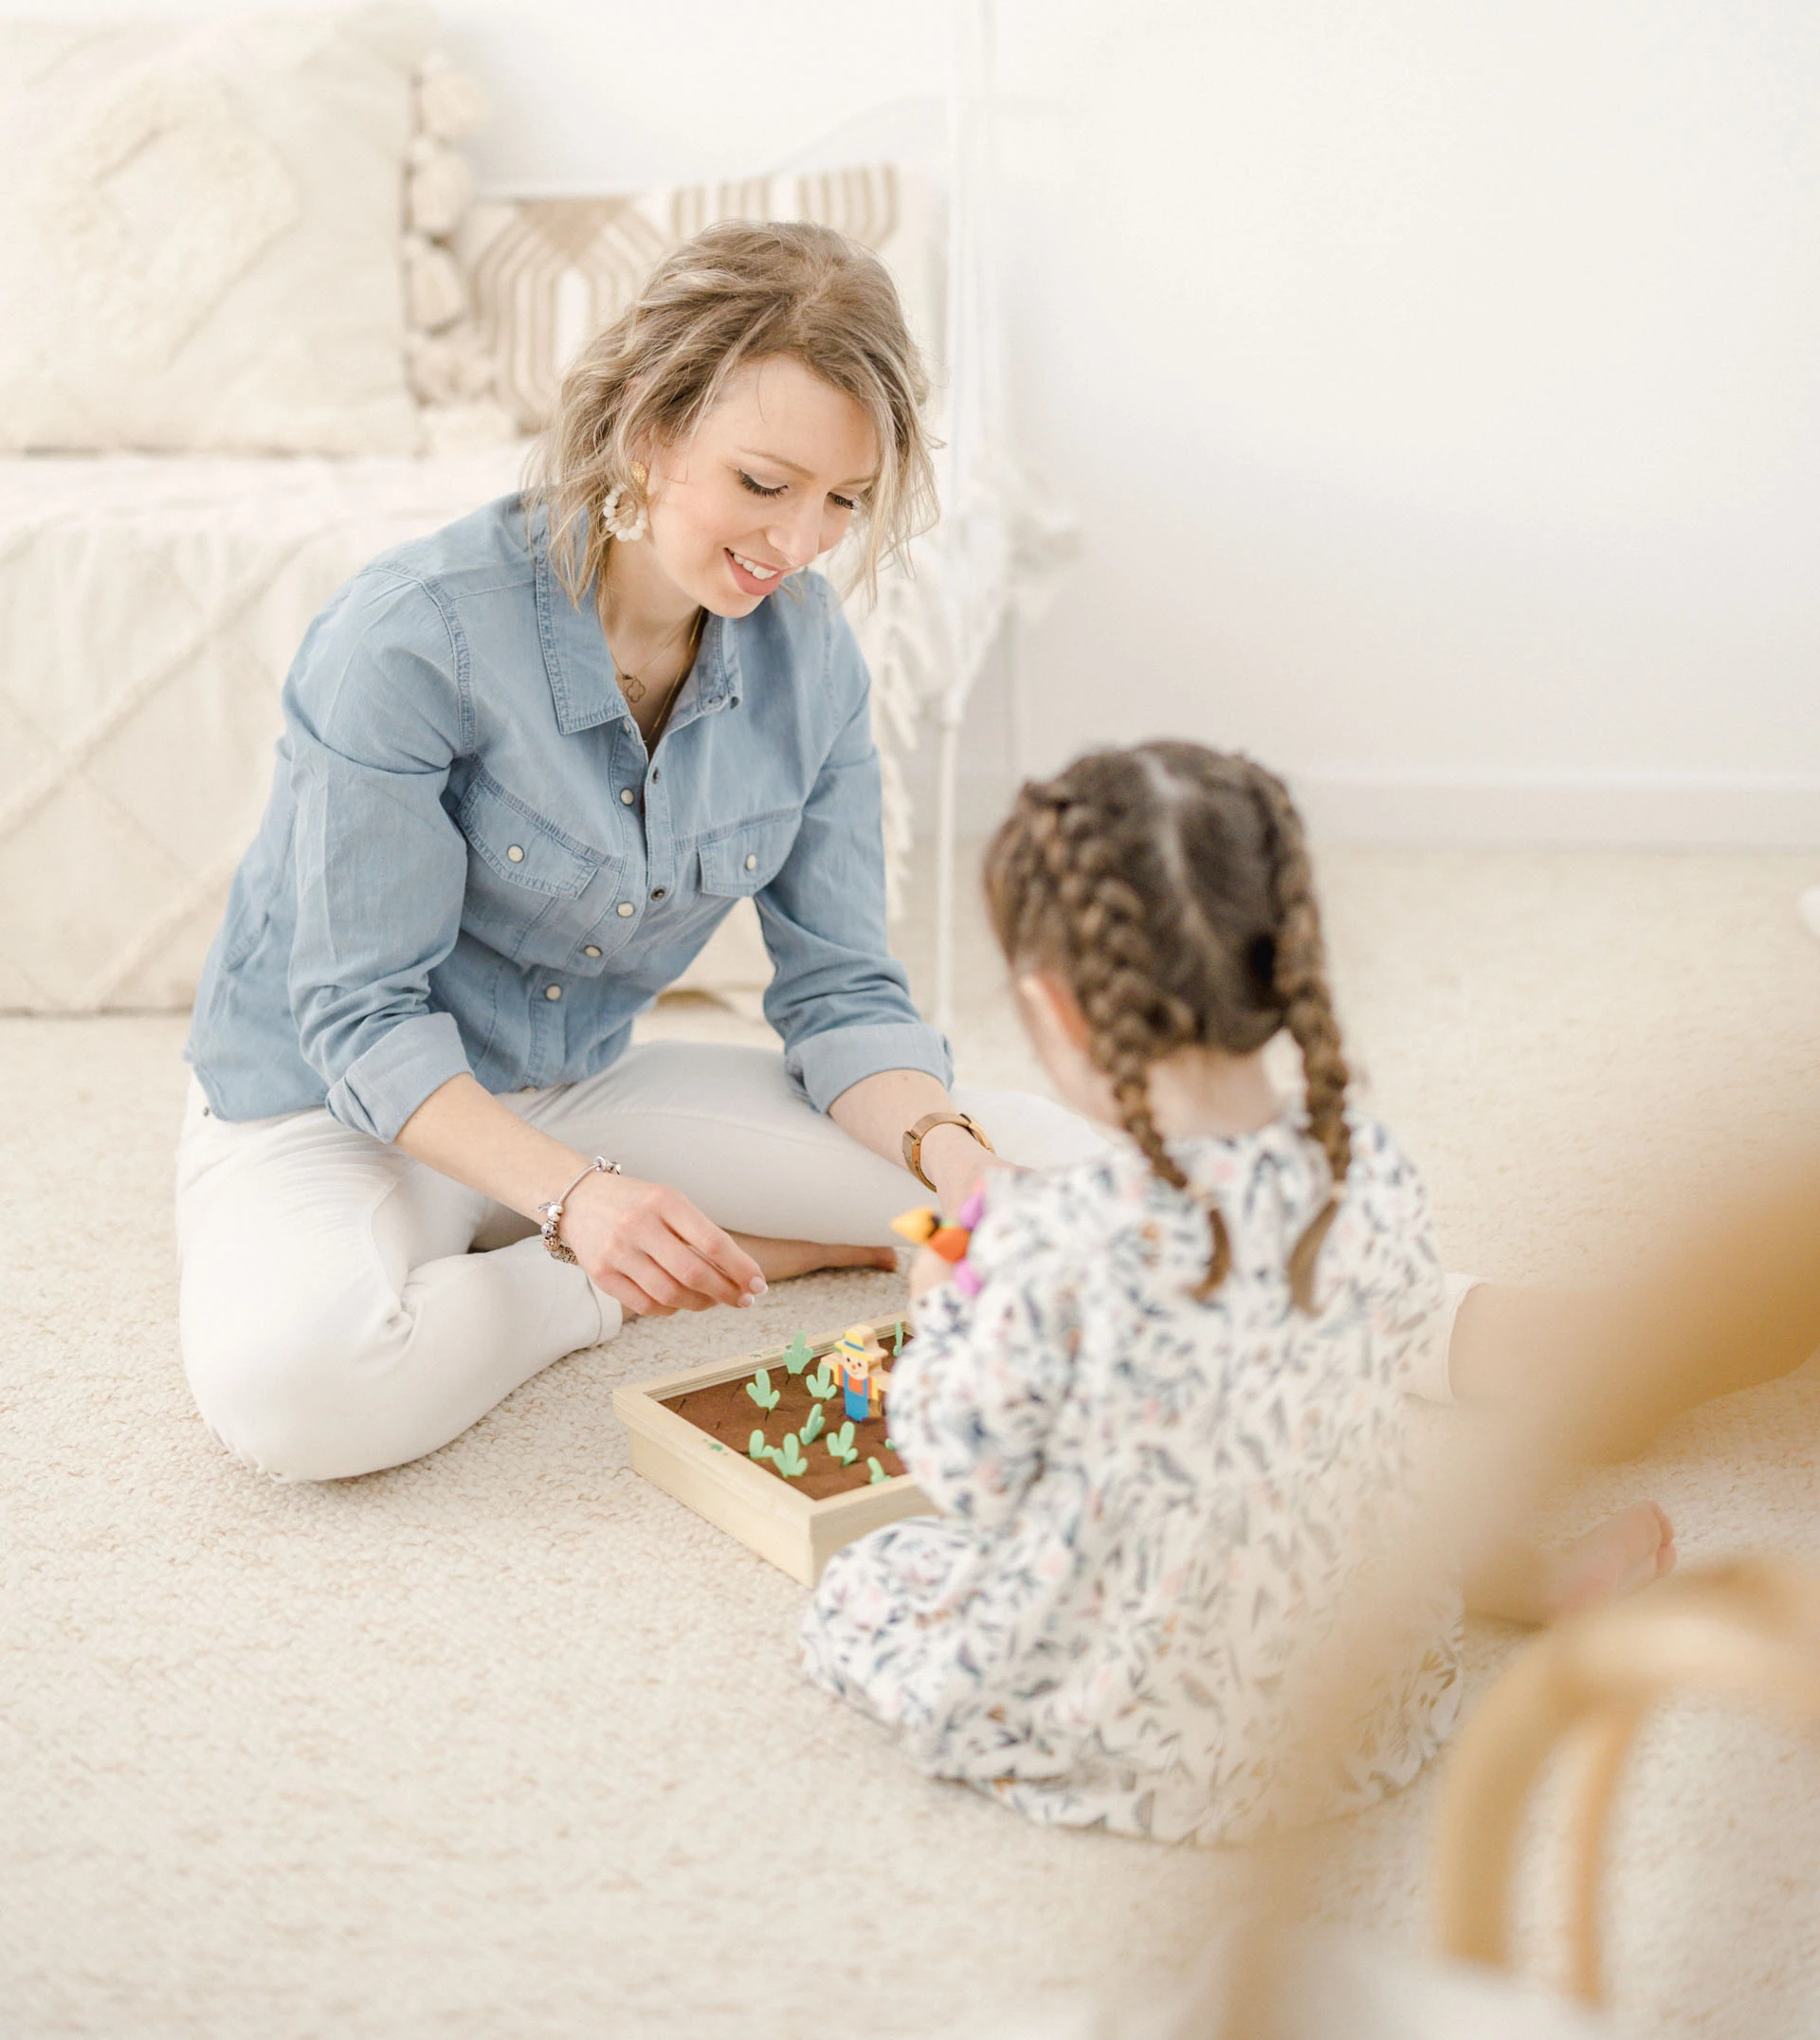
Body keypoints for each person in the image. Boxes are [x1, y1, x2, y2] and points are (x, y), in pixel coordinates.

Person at [176, 224, 1101, 1483]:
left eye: (844, 500)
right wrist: (583, 1206)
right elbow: (358, 1018)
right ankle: (616, 1280)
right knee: (294, 1394)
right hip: (328, 1106)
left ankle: (1430, 1330)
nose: (802, 543)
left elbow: (841, 992)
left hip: (565, 1087)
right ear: (649, 426)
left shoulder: (811, 653)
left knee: (1053, 1172)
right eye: (766, 485)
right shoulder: (412, 635)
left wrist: (966, 1180)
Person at [800, 744, 1674, 1844]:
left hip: (1123, 1719)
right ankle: (1516, 1578)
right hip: (1352, 1705)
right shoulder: (1372, 1169)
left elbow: (969, 1474)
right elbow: (1375, 1373)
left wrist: (944, 1310)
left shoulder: (1046, 1247)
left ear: (1057, 1014)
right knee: (1342, 1479)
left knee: (870, 1582)